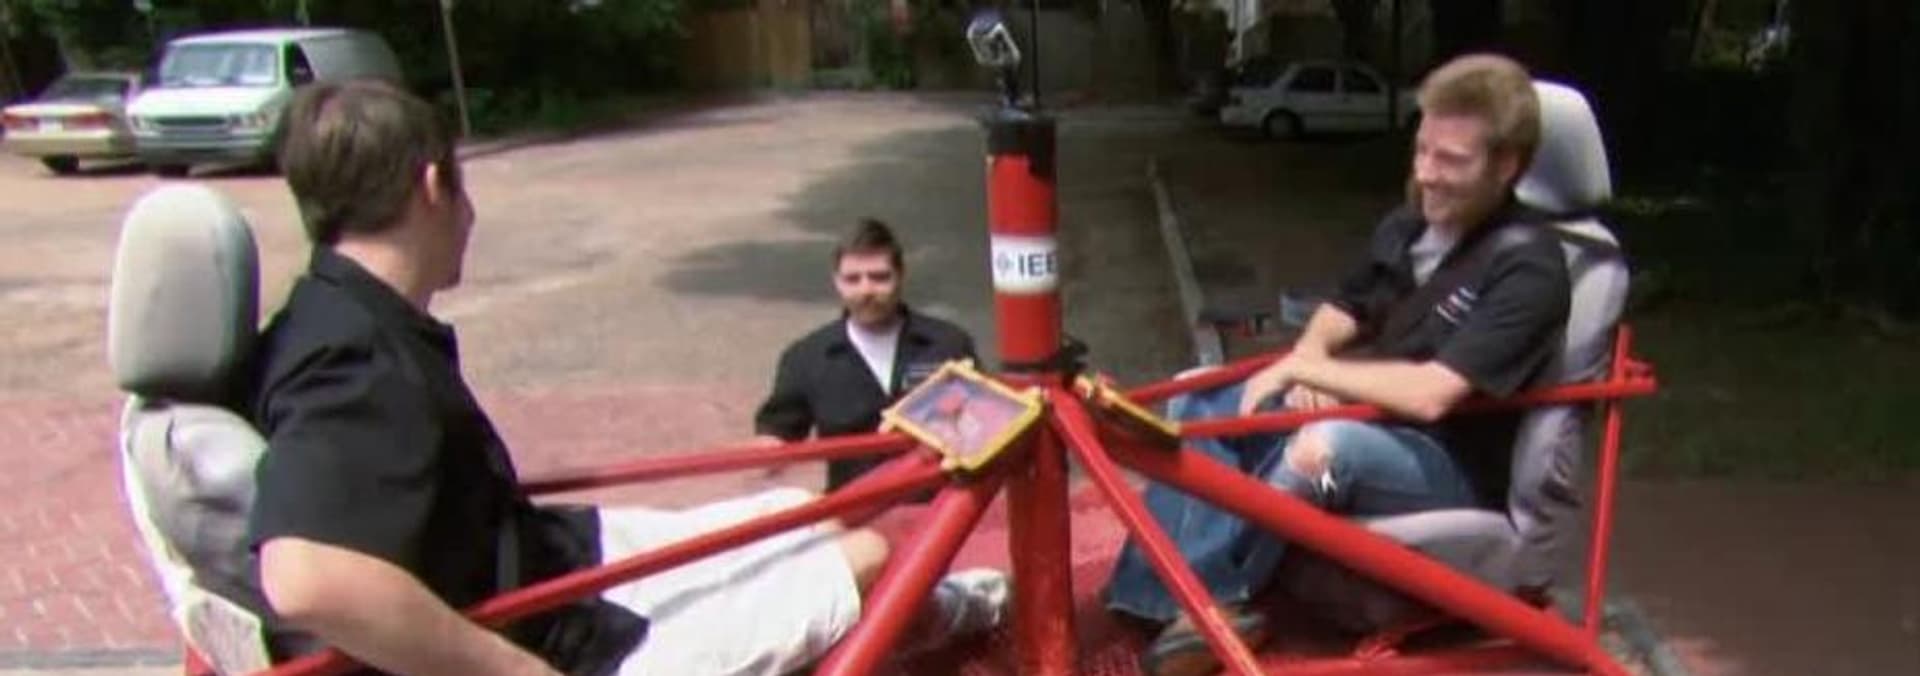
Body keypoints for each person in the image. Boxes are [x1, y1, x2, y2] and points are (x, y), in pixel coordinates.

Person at [243, 79, 1005, 676]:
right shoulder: (353, 357)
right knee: (871, 557)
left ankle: (942, 604)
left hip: (559, 561)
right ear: (434, 184)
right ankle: (960, 615)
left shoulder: (338, 315)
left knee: (809, 517)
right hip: (564, 637)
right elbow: (308, 579)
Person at [1104, 53, 1571, 676]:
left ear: (1506, 165)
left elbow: (1433, 394)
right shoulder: (1414, 225)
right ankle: (1152, 603)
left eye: (1451, 160)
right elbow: (1346, 305)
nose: (1426, 174)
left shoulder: (1528, 265)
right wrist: (1310, 356)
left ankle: (1215, 606)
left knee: (1321, 449)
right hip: (1382, 420)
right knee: (1199, 399)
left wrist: (1315, 377)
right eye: (1421, 150)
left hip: (1455, 460)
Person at [754, 219, 978, 490]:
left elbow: (985, 423)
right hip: (856, 509)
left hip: (939, 510)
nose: (866, 290)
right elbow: (777, 436)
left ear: (900, 275)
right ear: (836, 282)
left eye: (879, 277)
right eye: (853, 279)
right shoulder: (806, 358)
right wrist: (766, 455)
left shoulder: (948, 345)